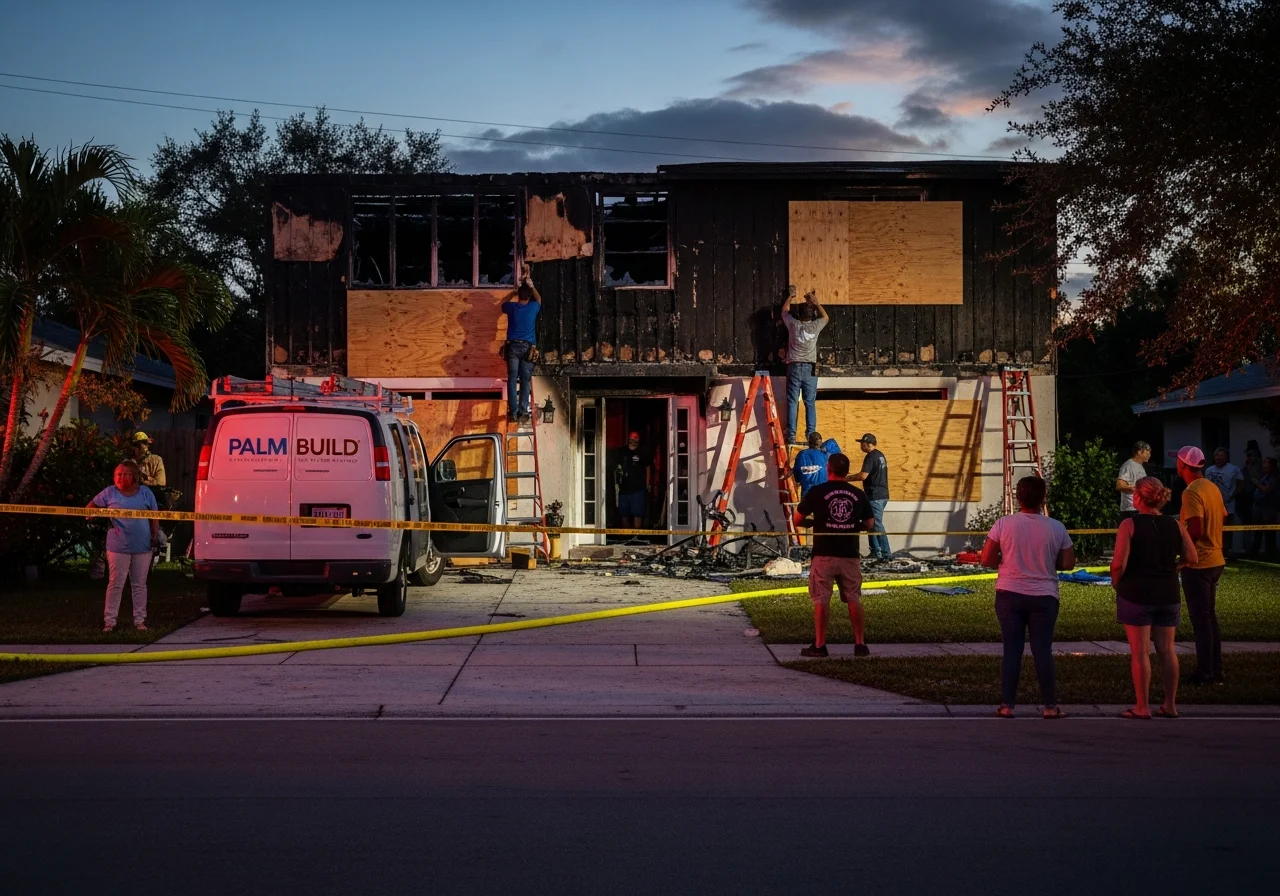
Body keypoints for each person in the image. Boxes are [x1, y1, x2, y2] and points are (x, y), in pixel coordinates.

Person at [979, 475, 1075, 719]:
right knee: (1042, 650)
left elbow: (987, 559)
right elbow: (1068, 562)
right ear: (1043, 498)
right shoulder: (1057, 527)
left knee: (1012, 650)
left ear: (1017, 497)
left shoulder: (1003, 524)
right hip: (1044, 595)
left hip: (1009, 593)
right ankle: (1050, 706)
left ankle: (1007, 705)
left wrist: (1007, 560)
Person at [1110, 477, 1198, 719]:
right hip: (1168, 592)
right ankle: (1170, 704)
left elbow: (1119, 564)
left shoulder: (1129, 525)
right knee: (1167, 650)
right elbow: (1192, 557)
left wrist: (1118, 584)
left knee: (1140, 652)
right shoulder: (1176, 525)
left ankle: (1142, 706)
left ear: (1138, 497)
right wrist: (1175, 568)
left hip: (1137, 593)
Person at [793, 453, 875, 658]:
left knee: (821, 599)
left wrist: (811, 523)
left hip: (824, 555)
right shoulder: (858, 494)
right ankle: (860, 644)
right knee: (854, 598)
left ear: (828, 468)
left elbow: (797, 519)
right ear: (847, 471)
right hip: (849, 554)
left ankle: (820, 646)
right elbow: (870, 524)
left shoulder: (817, 491)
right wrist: (854, 525)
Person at [86, 460, 161, 632]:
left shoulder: (145, 493)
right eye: (118, 474)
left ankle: (140, 620)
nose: (120, 477)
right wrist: (89, 514)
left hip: (142, 545)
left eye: (125, 473)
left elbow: (155, 517)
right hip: (117, 546)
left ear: (133, 476)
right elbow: (91, 505)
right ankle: (110, 621)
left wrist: (154, 536)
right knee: (116, 583)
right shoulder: (109, 492)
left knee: (139, 584)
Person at [1176, 446, 1228, 685]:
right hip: (1216, 558)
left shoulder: (1192, 491)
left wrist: (1185, 555)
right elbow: (1221, 517)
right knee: (1209, 617)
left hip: (1200, 563)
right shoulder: (1212, 488)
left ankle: (1205, 671)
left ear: (1184, 466)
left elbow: (1195, 529)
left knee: (1201, 620)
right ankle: (1215, 668)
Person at [780, 286, 828, 445]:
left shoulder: (794, 325)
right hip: (810, 368)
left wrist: (791, 296)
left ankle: (791, 435)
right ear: (811, 315)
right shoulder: (816, 326)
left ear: (799, 315)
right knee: (810, 402)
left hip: (794, 366)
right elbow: (826, 317)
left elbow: (784, 312)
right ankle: (811, 435)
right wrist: (816, 302)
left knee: (793, 401)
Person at [500, 272, 542, 423]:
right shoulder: (532, 307)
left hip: (513, 347)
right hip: (527, 348)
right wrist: (532, 286)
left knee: (512, 378)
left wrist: (512, 292)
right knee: (525, 379)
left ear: (519, 296)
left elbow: (502, 305)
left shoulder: (512, 307)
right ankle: (523, 411)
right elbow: (539, 299)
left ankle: (513, 411)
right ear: (529, 296)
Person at [849, 433, 891, 561]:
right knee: (871, 523)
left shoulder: (871, 456)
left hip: (875, 496)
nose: (861, 446)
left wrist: (846, 478)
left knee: (876, 524)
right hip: (880, 495)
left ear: (867, 444)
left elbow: (863, 476)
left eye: (862, 443)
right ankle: (875, 551)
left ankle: (886, 553)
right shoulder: (879, 455)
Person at [1204, 447, 1244, 556]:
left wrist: (1233, 495)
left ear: (1226, 457)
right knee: (1213, 528)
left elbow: (1241, 484)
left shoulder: (1233, 469)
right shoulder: (1209, 470)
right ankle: (1214, 550)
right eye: (1217, 456)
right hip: (1212, 504)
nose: (1219, 458)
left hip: (1228, 504)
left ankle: (1226, 551)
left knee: (1227, 529)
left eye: (1221, 456)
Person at [614, 431, 652, 530]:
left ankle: (635, 536)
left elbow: (648, 468)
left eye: (635, 438)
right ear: (628, 438)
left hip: (638, 489)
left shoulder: (642, 451)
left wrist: (647, 484)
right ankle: (626, 537)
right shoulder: (623, 451)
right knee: (624, 513)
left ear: (638, 440)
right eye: (631, 437)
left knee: (637, 513)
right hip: (624, 489)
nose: (633, 439)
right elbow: (617, 467)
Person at [1248, 457, 1278, 556]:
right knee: (1257, 530)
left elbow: (1266, 491)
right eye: (1264, 462)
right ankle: (1254, 550)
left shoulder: (1274, 477)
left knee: (1269, 531)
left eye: (1266, 463)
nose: (1264, 465)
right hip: (1258, 506)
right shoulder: (1265, 476)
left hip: (1268, 508)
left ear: (1272, 465)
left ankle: (1270, 552)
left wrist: (1257, 484)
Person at [1115, 441, 1150, 521]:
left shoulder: (1140, 466)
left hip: (1140, 508)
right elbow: (1119, 485)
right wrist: (1137, 488)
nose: (1149, 455)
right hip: (1131, 510)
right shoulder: (1128, 466)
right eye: (1147, 452)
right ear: (1139, 452)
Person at [792, 432, 829, 498]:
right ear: (820, 443)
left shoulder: (803, 454)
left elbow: (797, 474)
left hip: (808, 493)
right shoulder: (825, 456)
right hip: (824, 492)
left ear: (809, 443)